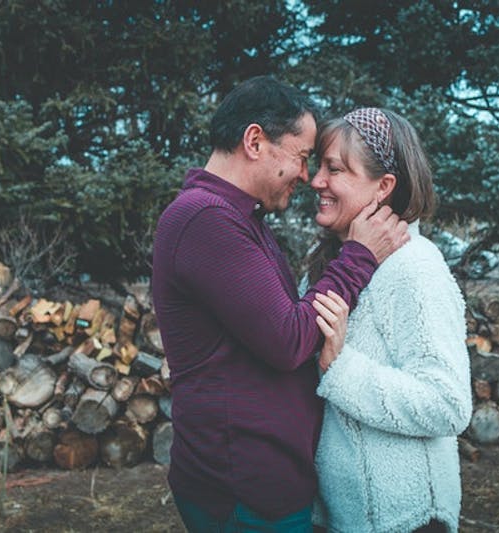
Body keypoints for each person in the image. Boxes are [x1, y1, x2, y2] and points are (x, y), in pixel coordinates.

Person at [151, 77, 410, 532]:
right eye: (303, 156)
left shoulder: (237, 218)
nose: (308, 176)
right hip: (243, 488)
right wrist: (360, 256)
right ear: (255, 141)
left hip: (259, 483)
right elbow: (289, 339)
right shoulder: (205, 220)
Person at [304, 107, 473, 532]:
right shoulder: (328, 263)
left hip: (405, 518)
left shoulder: (415, 268)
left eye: (335, 169)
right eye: (318, 166)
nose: (316, 180)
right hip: (343, 515)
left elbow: (448, 405)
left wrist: (338, 368)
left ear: (384, 187)